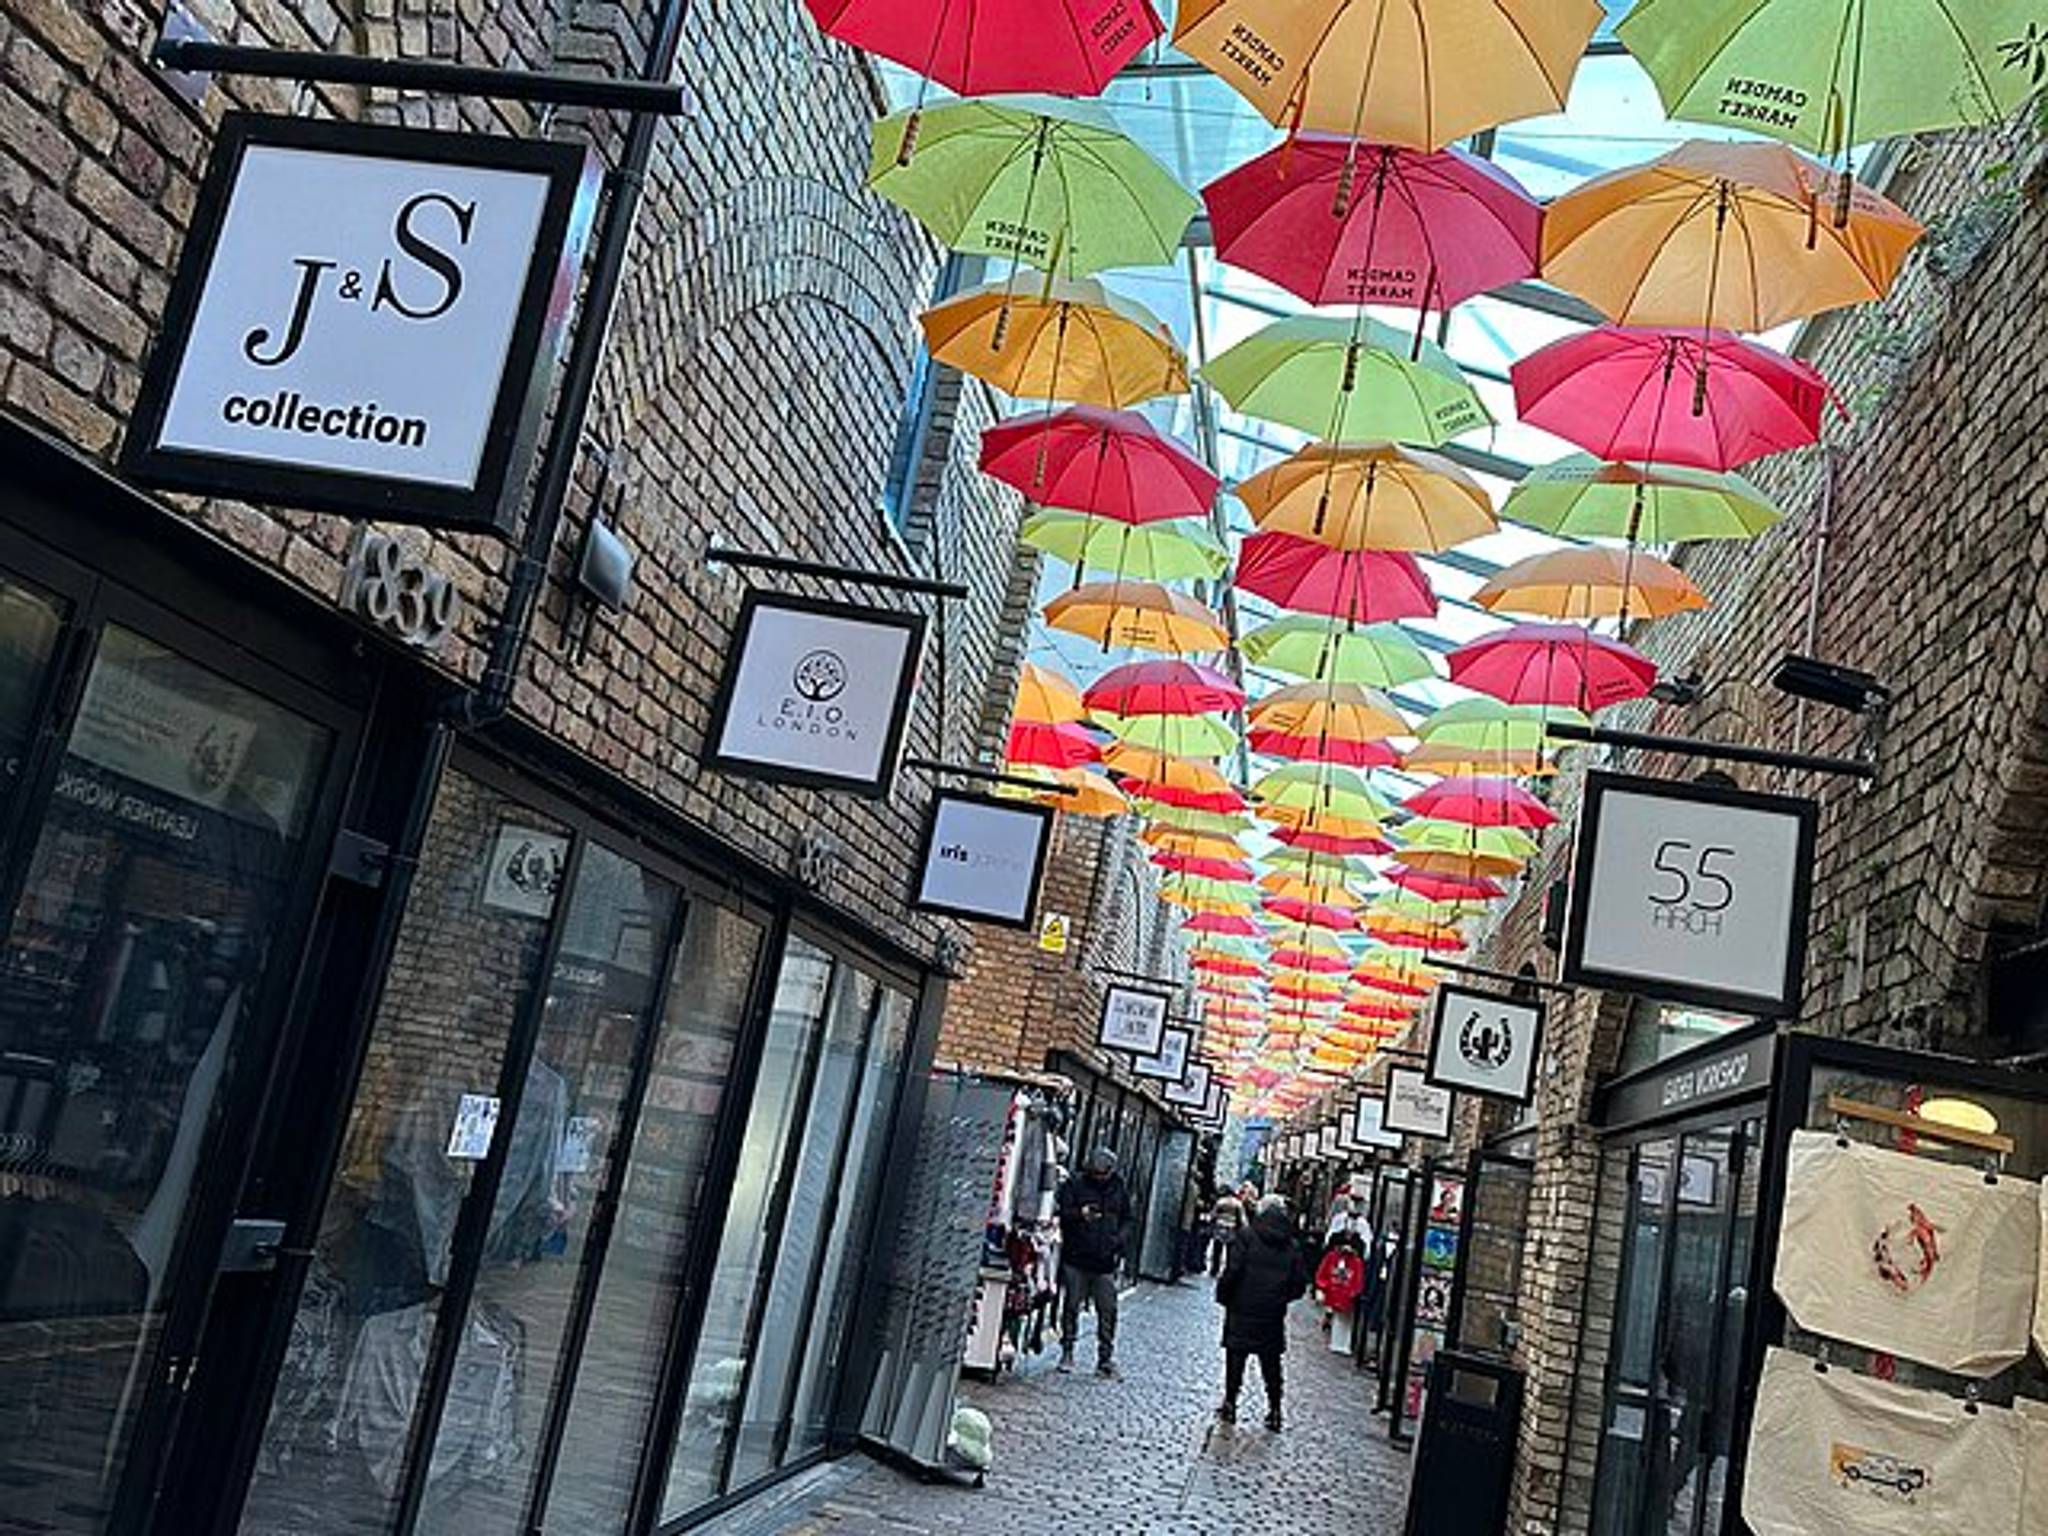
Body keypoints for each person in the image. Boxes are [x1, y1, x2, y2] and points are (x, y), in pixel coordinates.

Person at [1215, 1193, 1310, 1431]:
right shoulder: (1291, 1245)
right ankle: (1275, 1409)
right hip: (1271, 1312)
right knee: (1271, 1364)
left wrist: (1225, 1296)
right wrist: (1280, 1298)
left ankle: (1230, 1403)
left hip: (1242, 1307)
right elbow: (1299, 1283)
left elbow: (1232, 1269)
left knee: (1236, 1358)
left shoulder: (1247, 1236)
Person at [1055, 1145, 1132, 1377]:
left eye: (1104, 1174)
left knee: (1108, 1310)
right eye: (1096, 1173)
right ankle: (1067, 1350)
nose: (1100, 1178)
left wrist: (1117, 1240)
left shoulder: (1119, 1188)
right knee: (1071, 1306)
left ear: (1110, 1171)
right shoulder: (1075, 1184)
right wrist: (1080, 1215)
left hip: (1105, 1260)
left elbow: (1128, 1219)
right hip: (1077, 1257)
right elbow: (1062, 1213)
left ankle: (1105, 1357)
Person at [1207, 1185, 1245, 1276]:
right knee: (1229, 1252)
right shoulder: (1238, 1203)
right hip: (1231, 1227)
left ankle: (1214, 1269)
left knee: (1217, 1250)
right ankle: (1227, 1270)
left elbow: (1213, 1214)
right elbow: (1242, 1218)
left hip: (1220, 1226)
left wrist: (1212, 1221)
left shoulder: (1221, 1202)